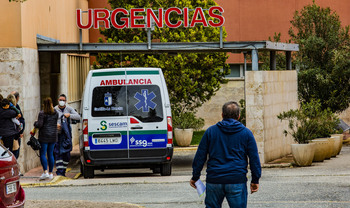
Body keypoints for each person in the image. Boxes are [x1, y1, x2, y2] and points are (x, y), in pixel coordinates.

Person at [190, 101, 261, 208]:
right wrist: (255, 180)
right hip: (236, 180)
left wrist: (195, 176)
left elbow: (200, 156)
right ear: (239, 116)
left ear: (222, 115)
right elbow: (254, 159)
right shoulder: (246, 133)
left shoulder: (210, 132)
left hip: (214, 180)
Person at [54, 94, 80, 176]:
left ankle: (63, 170)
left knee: (67, 154)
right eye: (60, 100)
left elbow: (78, 117)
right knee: (58, 153)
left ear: (66, 101)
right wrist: (56, 125)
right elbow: (50, 120)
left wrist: (69, 115)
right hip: (57, 134)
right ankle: (59, 172)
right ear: (58, 100)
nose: (62, 101)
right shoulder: (54, 109)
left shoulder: (69, 109)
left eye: (63, 100)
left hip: (66, 135)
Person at [32, 97, 58, 180]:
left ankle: (45, 172)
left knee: (43, 154)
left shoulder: (42, 113)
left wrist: (35, 123)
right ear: (51, 104)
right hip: (53, 136)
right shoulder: (55, 113)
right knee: (50, 154)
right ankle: (51, 173)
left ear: (43, 105)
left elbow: (39, 124)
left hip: (44, 136)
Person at [11, 91, 25, 158]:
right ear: (17, 98)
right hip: (14, 135)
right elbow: (21, 121)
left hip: (14, 134)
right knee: (15, 154)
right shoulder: (15, 108)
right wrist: (20, 132)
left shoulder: (16, 107)